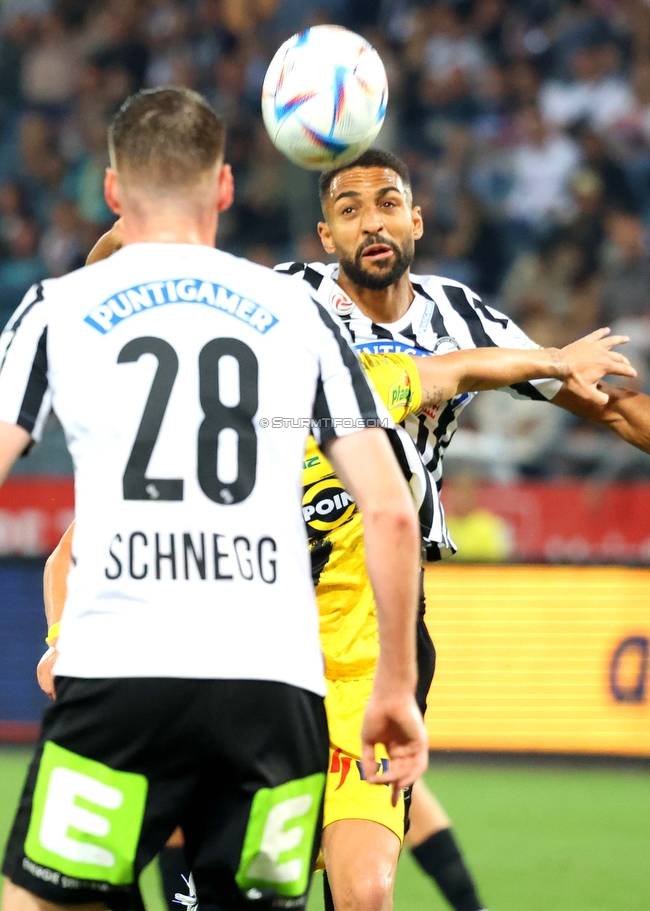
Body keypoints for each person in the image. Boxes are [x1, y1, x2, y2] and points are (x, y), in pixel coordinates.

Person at [35, 217, 635, 911]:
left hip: (358, 678)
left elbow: (464, 367)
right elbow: (68, 554)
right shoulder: (200, 452)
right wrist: (58, 645)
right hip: (249, 685)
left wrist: (554, 360)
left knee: (367, 892)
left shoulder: (358, 391)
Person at [0, 90, 431, 911]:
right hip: (272, 687)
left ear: (114, 192)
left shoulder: (57, 310)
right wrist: (395, 691)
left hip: (121, 672)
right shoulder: (298, 313)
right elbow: (391, 509)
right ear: (225, 187)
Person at [277, 146, 650, 911]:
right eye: (349, 211)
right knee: (256, 881)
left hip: (378, 623)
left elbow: (606, 404)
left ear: (415, 219)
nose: (371, 223)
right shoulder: (286, 297)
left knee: (367, 892)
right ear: (324, 237)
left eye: (387, 203)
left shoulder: (462, 318)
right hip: (264, 614)